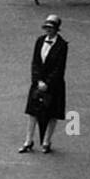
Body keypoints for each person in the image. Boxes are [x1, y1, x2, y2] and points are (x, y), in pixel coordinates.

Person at [20, 13, 68, 154]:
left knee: (53, 113)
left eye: (50, 28)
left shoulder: (62, 45)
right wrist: (38, 80)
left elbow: (59, 68)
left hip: (54, 85)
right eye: (46, 27)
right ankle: (28, 140)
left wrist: (47, 83)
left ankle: (46, 141)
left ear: (56, 29)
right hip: (39, 82)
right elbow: (35, 62)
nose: (48, 30)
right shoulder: (40, 41)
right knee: (32, 112)